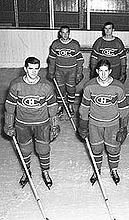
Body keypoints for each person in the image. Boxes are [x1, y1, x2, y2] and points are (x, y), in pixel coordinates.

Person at [4, 57, 59, 189]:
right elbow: (10, 107)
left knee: (43, 149)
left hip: (42, 124)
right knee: (24, 149)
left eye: (36, 69)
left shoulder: (46, 86)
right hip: (22, 124)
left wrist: (54, 125)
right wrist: (8, 125)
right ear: (25, 69)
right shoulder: (16, 85)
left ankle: (45, 172)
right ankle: (26, 172)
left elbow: (52, 107)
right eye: (30, 69)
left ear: (39, 69)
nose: (33, 72)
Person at [78, 59, 129, 185]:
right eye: (101, 71)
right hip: (95, 124)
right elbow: (84, 108)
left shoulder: (118, 87)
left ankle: (114, 170)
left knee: (113, 149)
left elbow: (124, 109)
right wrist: (83, 126)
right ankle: (97, 170)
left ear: (110, 71)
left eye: (106, 71)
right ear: (97, 71)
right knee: (96, 148)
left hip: (113, 124)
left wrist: (123, 127)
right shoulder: (89, 86)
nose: (103, 74)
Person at [48, 25, 84, 119]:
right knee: (60, 89)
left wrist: (79, 73)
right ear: (60, 33)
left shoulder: (74, 44)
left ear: (69, 33)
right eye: (63, 32)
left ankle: (70, 105)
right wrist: (51, 71)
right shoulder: (55, 44)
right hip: (59, 71)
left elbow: (80, 60)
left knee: (71, 89)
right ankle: (60, 106)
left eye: (66, 32)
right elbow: (52, 59)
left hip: (72, 70)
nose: (65, 35)